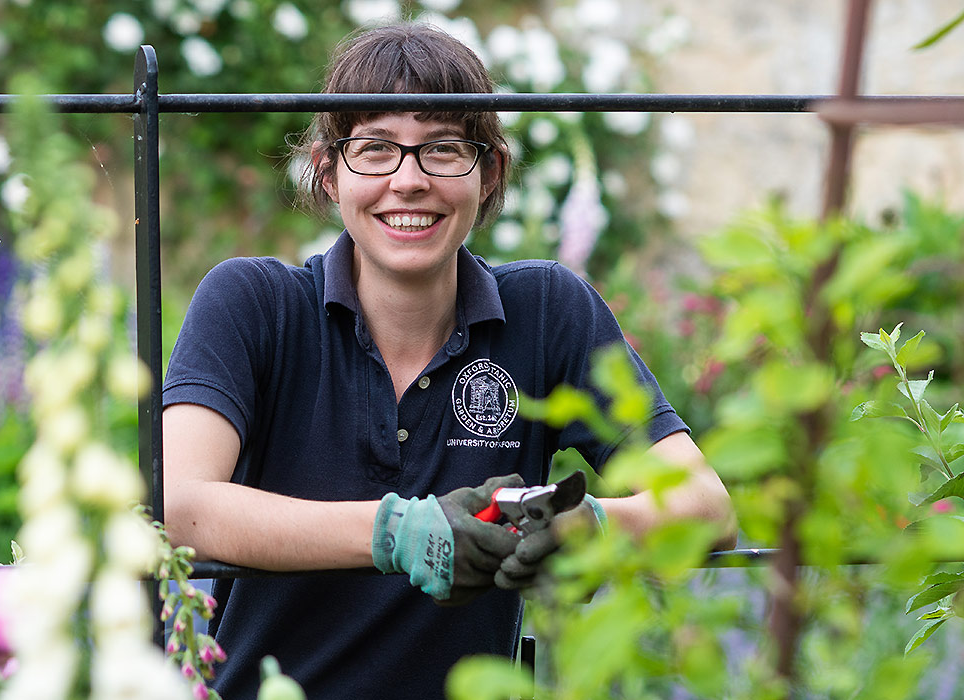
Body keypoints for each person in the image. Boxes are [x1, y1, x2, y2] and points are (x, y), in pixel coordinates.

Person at [160, 22, 736, 699]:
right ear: (327, 170)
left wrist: (595, 526)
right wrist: (396, 531)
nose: (409, 181)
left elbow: (707, 507)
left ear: (489, 171)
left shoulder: (548, 312)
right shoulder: (254, 304)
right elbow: (178, 506)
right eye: (375, 149)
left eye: (443, 149)